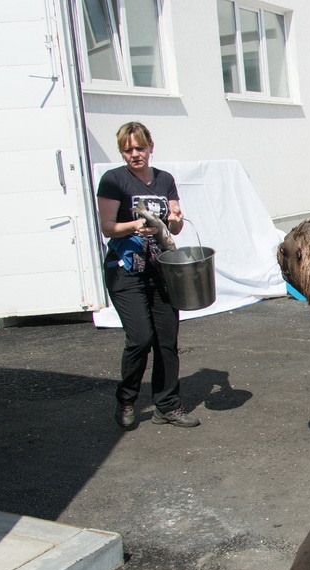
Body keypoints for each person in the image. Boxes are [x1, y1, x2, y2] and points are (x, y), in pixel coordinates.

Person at [97, 121, 200, 429]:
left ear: (150, 147)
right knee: (140, 339)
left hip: (162, 269)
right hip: (126, 270)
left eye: (140, 148)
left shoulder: (164, 180)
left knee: (167, 341)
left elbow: (175, 226)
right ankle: (126, 398)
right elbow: (107, 227)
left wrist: (175, 219)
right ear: (121, 152)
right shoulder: (114, 180)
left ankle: (167, 405)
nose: (135, 154)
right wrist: (134, 226)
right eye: (128, 150)